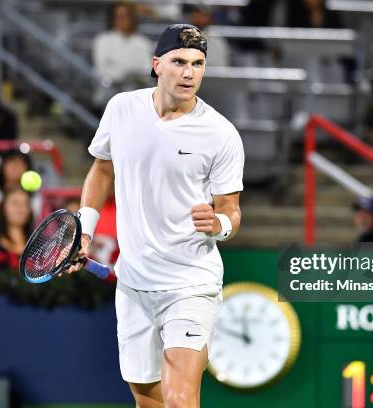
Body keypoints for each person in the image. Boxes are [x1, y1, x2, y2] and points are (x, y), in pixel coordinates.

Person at [67, 24, 244, 408]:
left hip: (191, 284)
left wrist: (220, 225)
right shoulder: (121, 108)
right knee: (148, 400)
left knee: (180, 398)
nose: (189, 72)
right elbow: (101, 170)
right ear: (157, 65)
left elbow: (230, 209)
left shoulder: (221, 134)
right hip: (133, 285)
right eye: (179, 61)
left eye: (198, 64)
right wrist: (85, 231)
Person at [0, 149, 49, 237]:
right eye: (11, 162)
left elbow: (49, 232)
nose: (15, 167)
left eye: (20, 163)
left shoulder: (38, 200)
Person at [92, 1, 153, 84]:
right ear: (112, 19)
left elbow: (147, 69)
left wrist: (131, 75)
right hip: (110, 90)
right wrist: (126, 75)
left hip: (137, 89)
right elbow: (102, 69)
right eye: (118, 17)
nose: (122, 20)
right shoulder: (102, 40)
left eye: (126, 16)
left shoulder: (143, 42)